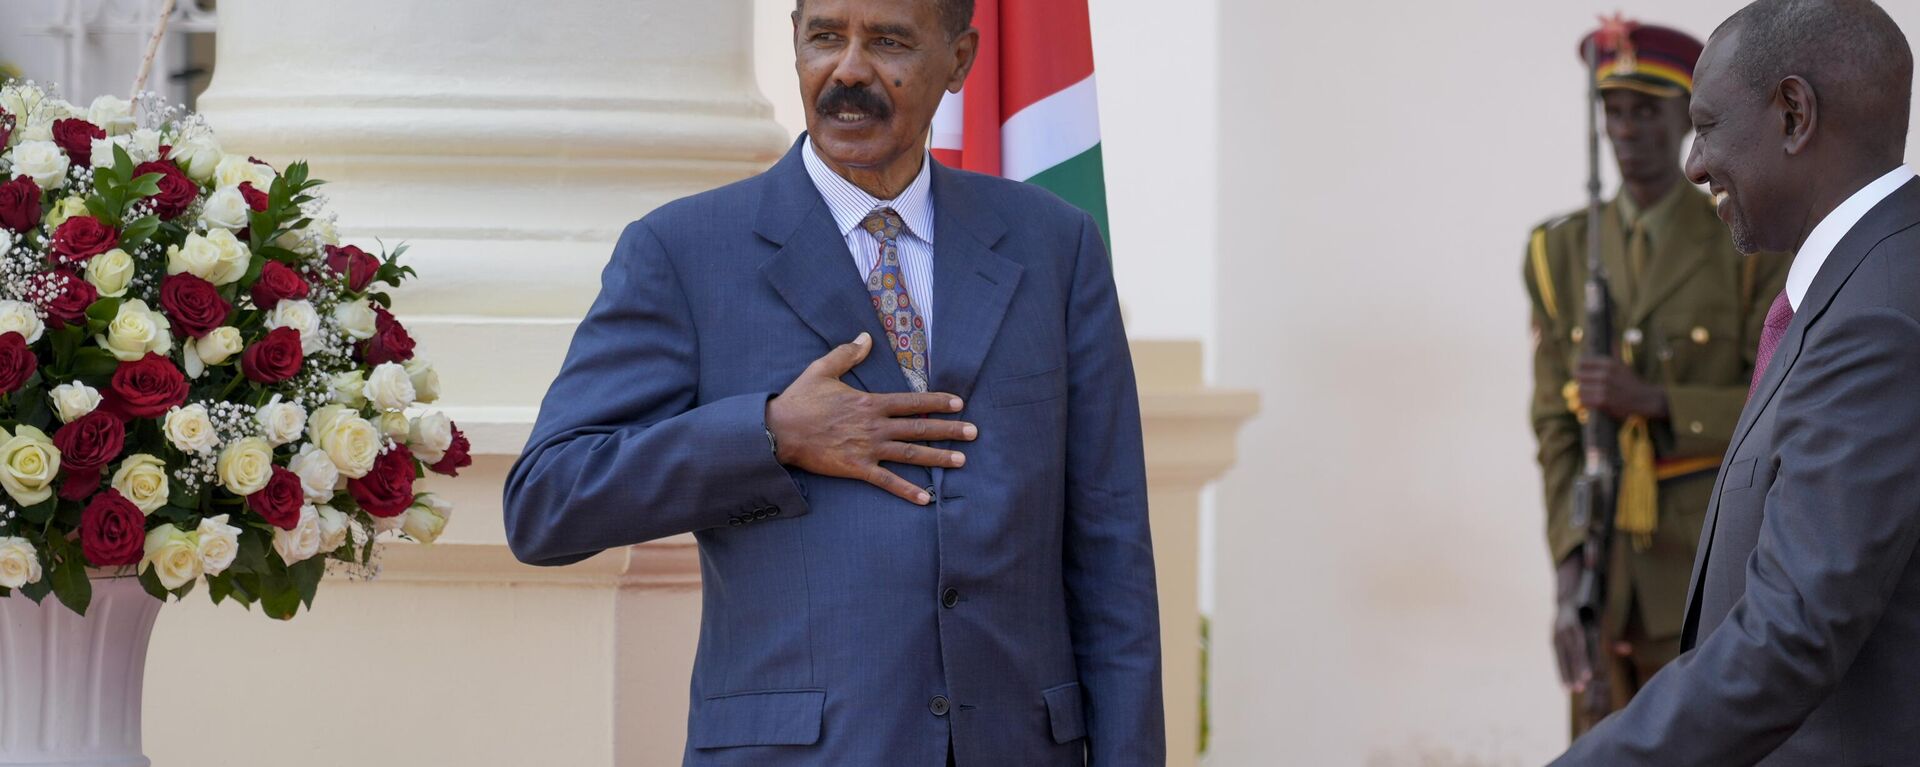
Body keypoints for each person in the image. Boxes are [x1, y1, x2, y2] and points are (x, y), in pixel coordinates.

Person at [502, 0, 1164, 764]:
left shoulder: (1056, 246)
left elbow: (1114, 559)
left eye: (888, 41)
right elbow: (547, 501)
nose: (849, 69)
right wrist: (772, 432)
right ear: (795, 44)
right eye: (825, 37)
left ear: (960, 59)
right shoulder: (682, 252)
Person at [1553, 0, 1920, 763]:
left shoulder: (1874, 316)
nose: (1693, 164)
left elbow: (1791, 632)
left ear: (1793, 113)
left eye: (1708, 125)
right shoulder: (1861, 280)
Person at [1522, 17, 1788, 736]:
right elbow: (1555, 424)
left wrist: (1658, 400)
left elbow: (1783, 407)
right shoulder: (1560, 250)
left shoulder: (1747, 240)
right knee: (1600, 744)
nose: (1627, 129)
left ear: (1684, 121)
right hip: (1602, 571)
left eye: (1647, 111)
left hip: (1707, 560)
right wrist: (1568, 567)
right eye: (1613, 111)